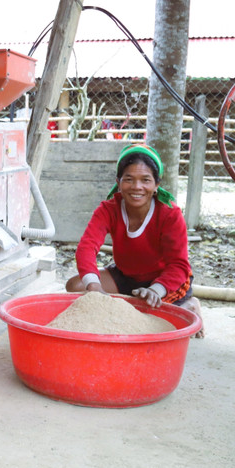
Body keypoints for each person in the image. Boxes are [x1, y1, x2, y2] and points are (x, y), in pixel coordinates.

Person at [65, 143, 204, 337]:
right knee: (76, 286)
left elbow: (179, 265)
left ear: (156, 185)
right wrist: (93, 285)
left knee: (155, 320)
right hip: (126, 275)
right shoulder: (108, 209)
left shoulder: (170, 213)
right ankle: (139, 301)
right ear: (118, 182)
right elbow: (86, 248)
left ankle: (188, 304)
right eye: (129, 179)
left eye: (145, 180)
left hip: (163, 281)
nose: (137, 187)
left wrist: (156, 290)